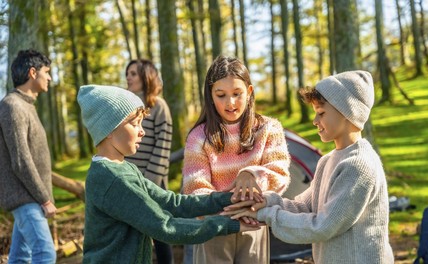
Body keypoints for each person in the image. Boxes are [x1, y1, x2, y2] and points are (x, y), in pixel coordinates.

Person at [223, 71, 395, 264]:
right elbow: (305, 207)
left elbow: (324, 226)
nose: (315, 121)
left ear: (347, 112)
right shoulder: (328, 160)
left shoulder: (358, 165)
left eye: (321, 113)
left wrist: (265, 215)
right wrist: (266, 202)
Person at [77, 84, 260, 264]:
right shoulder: (113, 179)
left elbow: (172, 203)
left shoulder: (124, 169)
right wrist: (230, 225)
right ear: (108, 130)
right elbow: (165, 227)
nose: (142, 131)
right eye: (134, 124)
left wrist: (229, 198)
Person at [182, 55, 291, 264]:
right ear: (210, 96)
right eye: (221, 95)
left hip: (254, 226)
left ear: (249, 92)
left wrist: (252, 173)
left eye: (237, 93)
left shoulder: (269, 128)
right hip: (213, 228)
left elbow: (279, 173)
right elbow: (195, 187)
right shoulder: (198, 137)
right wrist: (233, 213)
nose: (230, 102)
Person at [0, 49, 56, 263]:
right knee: (45, 253)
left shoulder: (26, 106)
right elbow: (21, 161)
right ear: (33, 73)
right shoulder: (12, 106)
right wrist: (45, 199)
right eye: (47, 72)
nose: (49, 77)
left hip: (29, 197)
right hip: (24, 198)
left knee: (21, 258)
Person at [125, 59, 174, 264]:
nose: (128, 77)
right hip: (130, 182)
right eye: (127, 73)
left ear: (147, 77)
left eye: (133, 73)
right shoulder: (127, 107)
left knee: (161, 233)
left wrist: (148, 183)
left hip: (152, 183)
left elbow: (163, 146)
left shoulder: (159, 106)